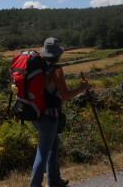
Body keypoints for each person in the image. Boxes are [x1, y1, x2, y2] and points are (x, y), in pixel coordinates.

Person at [29, 37, 89, 187]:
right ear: (57, 54)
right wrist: (82, 89)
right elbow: (65, 95)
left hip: (35, 113)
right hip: (49, 117)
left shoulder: (38, 67)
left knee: (54, 143)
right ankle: (35, 185)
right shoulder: (56, 71)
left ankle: (54, 180)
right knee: (43, 153)